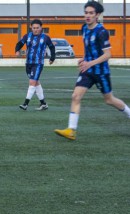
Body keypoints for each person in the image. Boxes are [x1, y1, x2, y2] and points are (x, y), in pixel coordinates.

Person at [54, 1, 130, 140]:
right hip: (87, 70)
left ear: (97, 15)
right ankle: (71, 130)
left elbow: (108, 54)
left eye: (91, 13)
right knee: (75, 96)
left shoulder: (102, 32)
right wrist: (84, 59)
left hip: (101, 72)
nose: (88, 15)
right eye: (86, 12)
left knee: (109, 100)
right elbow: (89, 48)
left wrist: (90, 63)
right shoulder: (84, 28)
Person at [15, 19, 55, 111]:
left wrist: (52, 58)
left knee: (32, 82)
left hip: (38, 63)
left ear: (41, 28)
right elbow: (20, 43)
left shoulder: (45, 37)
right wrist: (17, 50)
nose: (36, 29)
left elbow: (52, 47)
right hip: (28, 63)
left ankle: (25, 104)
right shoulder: (27, 36)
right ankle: (43, 104)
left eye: (37, 28)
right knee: (36, 83)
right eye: (34, 28)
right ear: (31, 28)